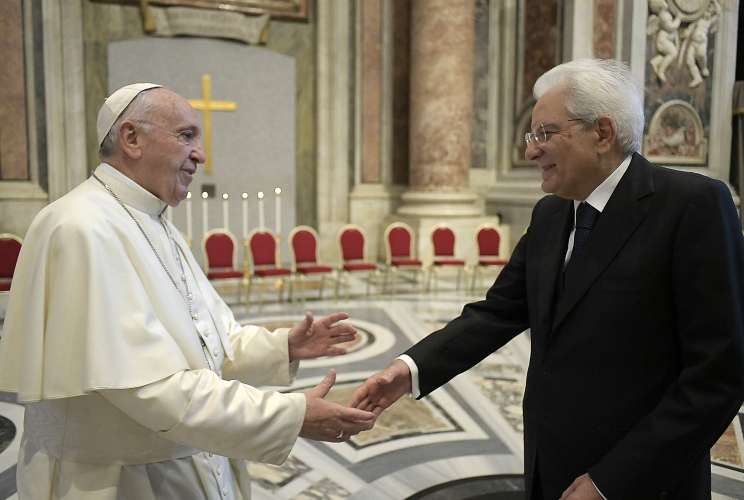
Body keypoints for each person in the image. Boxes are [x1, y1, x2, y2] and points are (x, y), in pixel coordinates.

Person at [351, 59, 744, 500]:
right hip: (551, 465)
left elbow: (717, 378)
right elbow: (498, 312)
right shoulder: (552, 212)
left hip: (643, 480)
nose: (531, 151)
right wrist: (409, 370)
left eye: (545, 134)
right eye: (530, 135)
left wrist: (610, 482)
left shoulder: (691, 206)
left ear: (602, 133)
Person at [0, 83, 376, 499]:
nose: (200, 153)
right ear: (131, 138)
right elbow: (151, 387)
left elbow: (208, 338)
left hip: (181, 463)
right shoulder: (81, 227)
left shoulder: (154, 219)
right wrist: (291, 414)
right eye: (186, 135)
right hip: (118, 482)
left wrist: (283, 346)